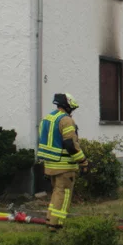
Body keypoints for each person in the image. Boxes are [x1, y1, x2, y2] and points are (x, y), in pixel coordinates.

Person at [37, 93, 89, 231]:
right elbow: (70, 144)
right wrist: (83, 161)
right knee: (64, 195)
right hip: (64, 167)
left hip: (50, 165)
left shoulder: (47, 119)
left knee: (56, 194)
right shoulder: (66, 120)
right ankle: (56, 224)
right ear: (68, 106)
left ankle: (50, 220)